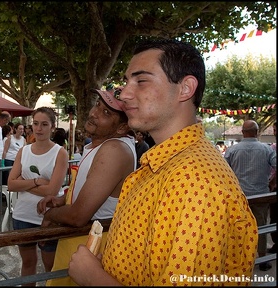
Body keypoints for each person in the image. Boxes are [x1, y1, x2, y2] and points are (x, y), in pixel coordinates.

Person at [68, 39, 258, 286]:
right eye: (126, 81)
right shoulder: (164, 164)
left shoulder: (195, 181)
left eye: (141, 80)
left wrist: (93, 278)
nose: (124, 94)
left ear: (185, 88)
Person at [37, 87, 137, 286]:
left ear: (122, 128)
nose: (94, 113)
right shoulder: (101, 144)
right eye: (97, 105)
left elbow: (78, 216)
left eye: (106, 113)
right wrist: (62, 200)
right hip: (79, 246)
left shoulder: (114, 149)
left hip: (91, 251)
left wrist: (50, 216)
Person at [7, 107, 69, 286]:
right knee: (28, 263)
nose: (39, 128)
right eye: (35, 124)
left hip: (48, 217)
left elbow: (52, 191)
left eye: (44, 124)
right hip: (22, 215)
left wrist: (23, 182)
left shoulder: (60, 153)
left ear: (52, 127)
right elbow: (11, 184)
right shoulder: (23, 151)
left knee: (50, 267)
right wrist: (36, 181)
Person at [224, 120, 276, 271]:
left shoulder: (232, 150)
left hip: (239, 196)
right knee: (260, 227)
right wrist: (272, 182)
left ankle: (240, 259)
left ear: (242, 132)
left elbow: (224, 170)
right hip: (261, 195)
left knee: (239, 227)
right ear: (257, 132)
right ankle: (262, 259)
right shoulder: (266, 149)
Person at [268, 121, 277, 254]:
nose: (275, 133)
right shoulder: (272, 147)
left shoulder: (273, 148)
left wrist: (272, 182)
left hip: (275, 187)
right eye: (274, 130)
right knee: (274, 217)